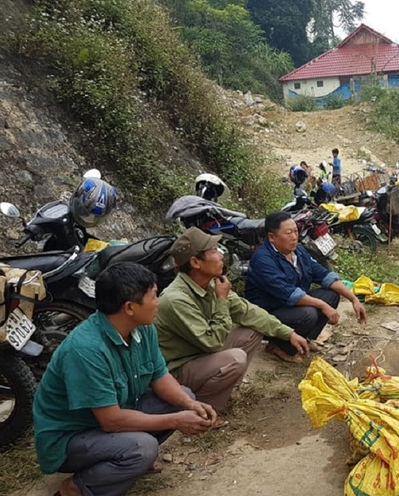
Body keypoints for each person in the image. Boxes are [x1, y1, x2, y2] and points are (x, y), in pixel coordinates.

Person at [33, 263, 217, 496]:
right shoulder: (86, 349)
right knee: (142, 448)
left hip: (113, 416)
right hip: (70, 437)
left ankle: (123, 460)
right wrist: (176, 421)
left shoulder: (143, 327)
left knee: (184, 396)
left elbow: (160, 376)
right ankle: (76, 489)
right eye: (153, 296)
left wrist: (190, 406)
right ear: (130, 307)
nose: (158, 302)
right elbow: (112, 421)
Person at [155, 228, 308, 407]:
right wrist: (221, 300)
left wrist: (288, 334)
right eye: (213, 251)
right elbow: (212, 342)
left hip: (201, 354)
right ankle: (204, 410)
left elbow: (248, 312)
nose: (221, 255)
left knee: (252, 331)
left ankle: (225, 391)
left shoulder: (211, 283)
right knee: (235, 359)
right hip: (180, 368)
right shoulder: (176, 299)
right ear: (196, 262)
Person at [244, 211, 367, 360]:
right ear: (272, 237)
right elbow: (289, 294)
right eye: (288, 233)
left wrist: (353, 299)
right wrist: (322, 305)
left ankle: (304, 339)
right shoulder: (263, 260)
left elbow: (325, 275)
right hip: (269, 310)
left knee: (332, 295)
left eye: (295, 231)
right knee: (309, 314)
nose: (294, 237)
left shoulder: (299, 252)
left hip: (289, 304)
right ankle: (280, 346)